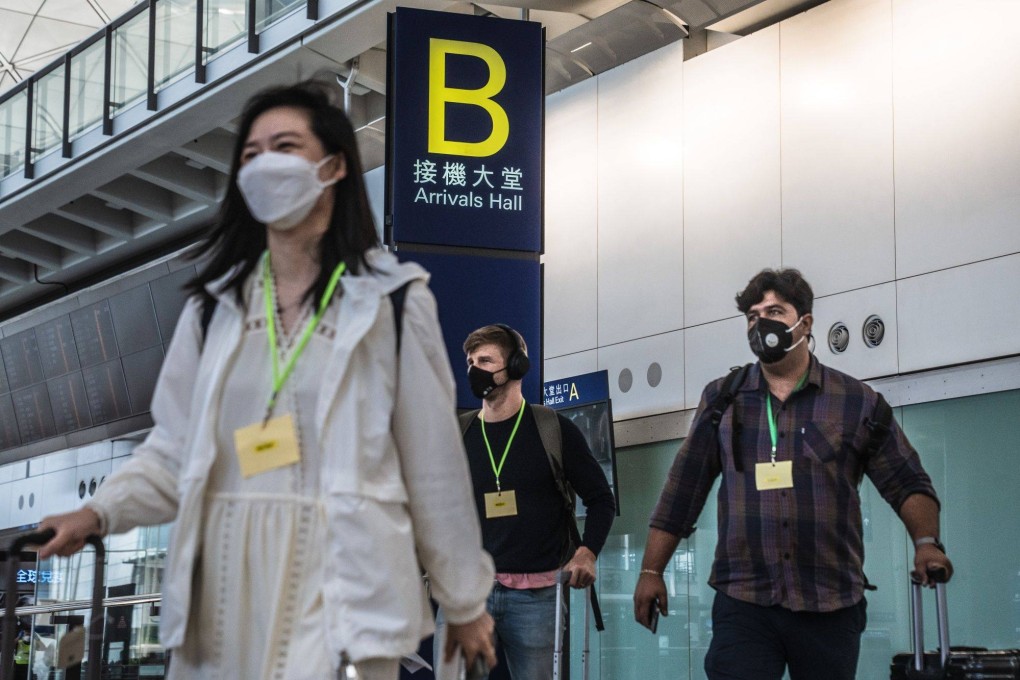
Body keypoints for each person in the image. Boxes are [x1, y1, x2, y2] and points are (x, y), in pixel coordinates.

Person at [35, 81, 497, 680]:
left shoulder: (393, 304)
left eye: (283, 146)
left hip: (343, 584)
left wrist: (464, 599)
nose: (262, 166)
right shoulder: (213, 309)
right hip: (223, 586)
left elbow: (433, 467)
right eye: (249, 155)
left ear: (332, 167)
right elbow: (173, 450)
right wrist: (98, 512)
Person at [632, 268, 954, 680]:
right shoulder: (722, 400)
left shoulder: (856, 401)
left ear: (805, 323)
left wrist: (926, 543)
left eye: (774, 311)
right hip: (744, 598)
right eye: (752, 315)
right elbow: (681, 492)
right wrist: (650, 571)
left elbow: (907, 481)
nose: (760, 323)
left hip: (829, 601)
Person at [436, 324, 616, 680]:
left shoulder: (553, 429)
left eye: (485, 360)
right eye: (470, 361)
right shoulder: (459, 433)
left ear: (516, 366)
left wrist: (588, 551)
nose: (475, 370)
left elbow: (600, 498)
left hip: (538, 598)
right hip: (468, 594)